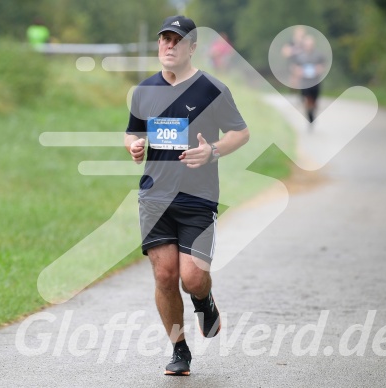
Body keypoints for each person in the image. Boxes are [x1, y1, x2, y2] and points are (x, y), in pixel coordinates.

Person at [124, 15, 249, 376]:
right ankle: (179, 350)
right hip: (154, 197)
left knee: (191, 277)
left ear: (192, 48)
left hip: (198, 196)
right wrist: (134, 145)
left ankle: (203, 299)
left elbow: (240, 133)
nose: (169, 45)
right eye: (164, 39)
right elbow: (132, 133)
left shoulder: (212, 89)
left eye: (177, 40)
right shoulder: (144, 91)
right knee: (164, 275)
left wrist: (213, 151)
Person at [282, 27, 326, 125]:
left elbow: (322, 66)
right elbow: (286, 52)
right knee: (304, 94)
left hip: (314, 80)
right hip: (302, 77)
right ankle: (303, 100)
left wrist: (319, 69)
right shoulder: (292, 44)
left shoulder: (316, 53)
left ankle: (311, 108)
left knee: (314, 100)